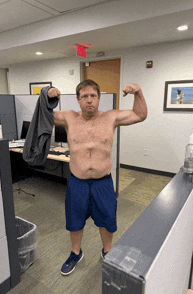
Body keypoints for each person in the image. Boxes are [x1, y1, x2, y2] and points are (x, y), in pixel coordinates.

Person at [47, 79, 147, 275]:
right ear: (78, 99)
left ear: (99, 98)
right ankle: (76, 253)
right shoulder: (68, 117)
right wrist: (46, 93)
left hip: (103, 183)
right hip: (77, 182)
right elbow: (43, 115)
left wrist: (138, 92)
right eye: (84, 96)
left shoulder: (111, 117)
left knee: (107, 220)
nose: (89, 100)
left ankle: (107, 251)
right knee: (74, 221)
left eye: (93, 96)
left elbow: (140, 115)